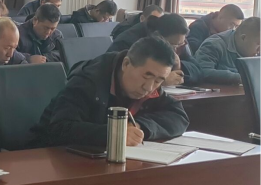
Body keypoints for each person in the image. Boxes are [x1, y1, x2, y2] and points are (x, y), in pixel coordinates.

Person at [30, 36, 189, 148]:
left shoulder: (151, 86)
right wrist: (116, 133)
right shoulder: (88, 80)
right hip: (51, 157)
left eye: (159, 80)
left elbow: (179, 117)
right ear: (126, 64)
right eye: (146, 76)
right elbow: (60, 128)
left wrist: (140, 126)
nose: (149, 87)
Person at [108, 14, 200, 86]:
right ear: (158, 36)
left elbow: (198, 70)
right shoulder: (128, 41)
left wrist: (179, 66)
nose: (176, 49)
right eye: (172, 45)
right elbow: (114, 73)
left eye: (180, 45)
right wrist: (158, 82)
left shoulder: (179, 40)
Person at [194, 17, 260, 85]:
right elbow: (202, 72)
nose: (260, 50)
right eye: (258, 44)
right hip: (215, 90)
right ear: (243, 38)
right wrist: (241, 78)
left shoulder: (254, 52)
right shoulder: (214, 45)